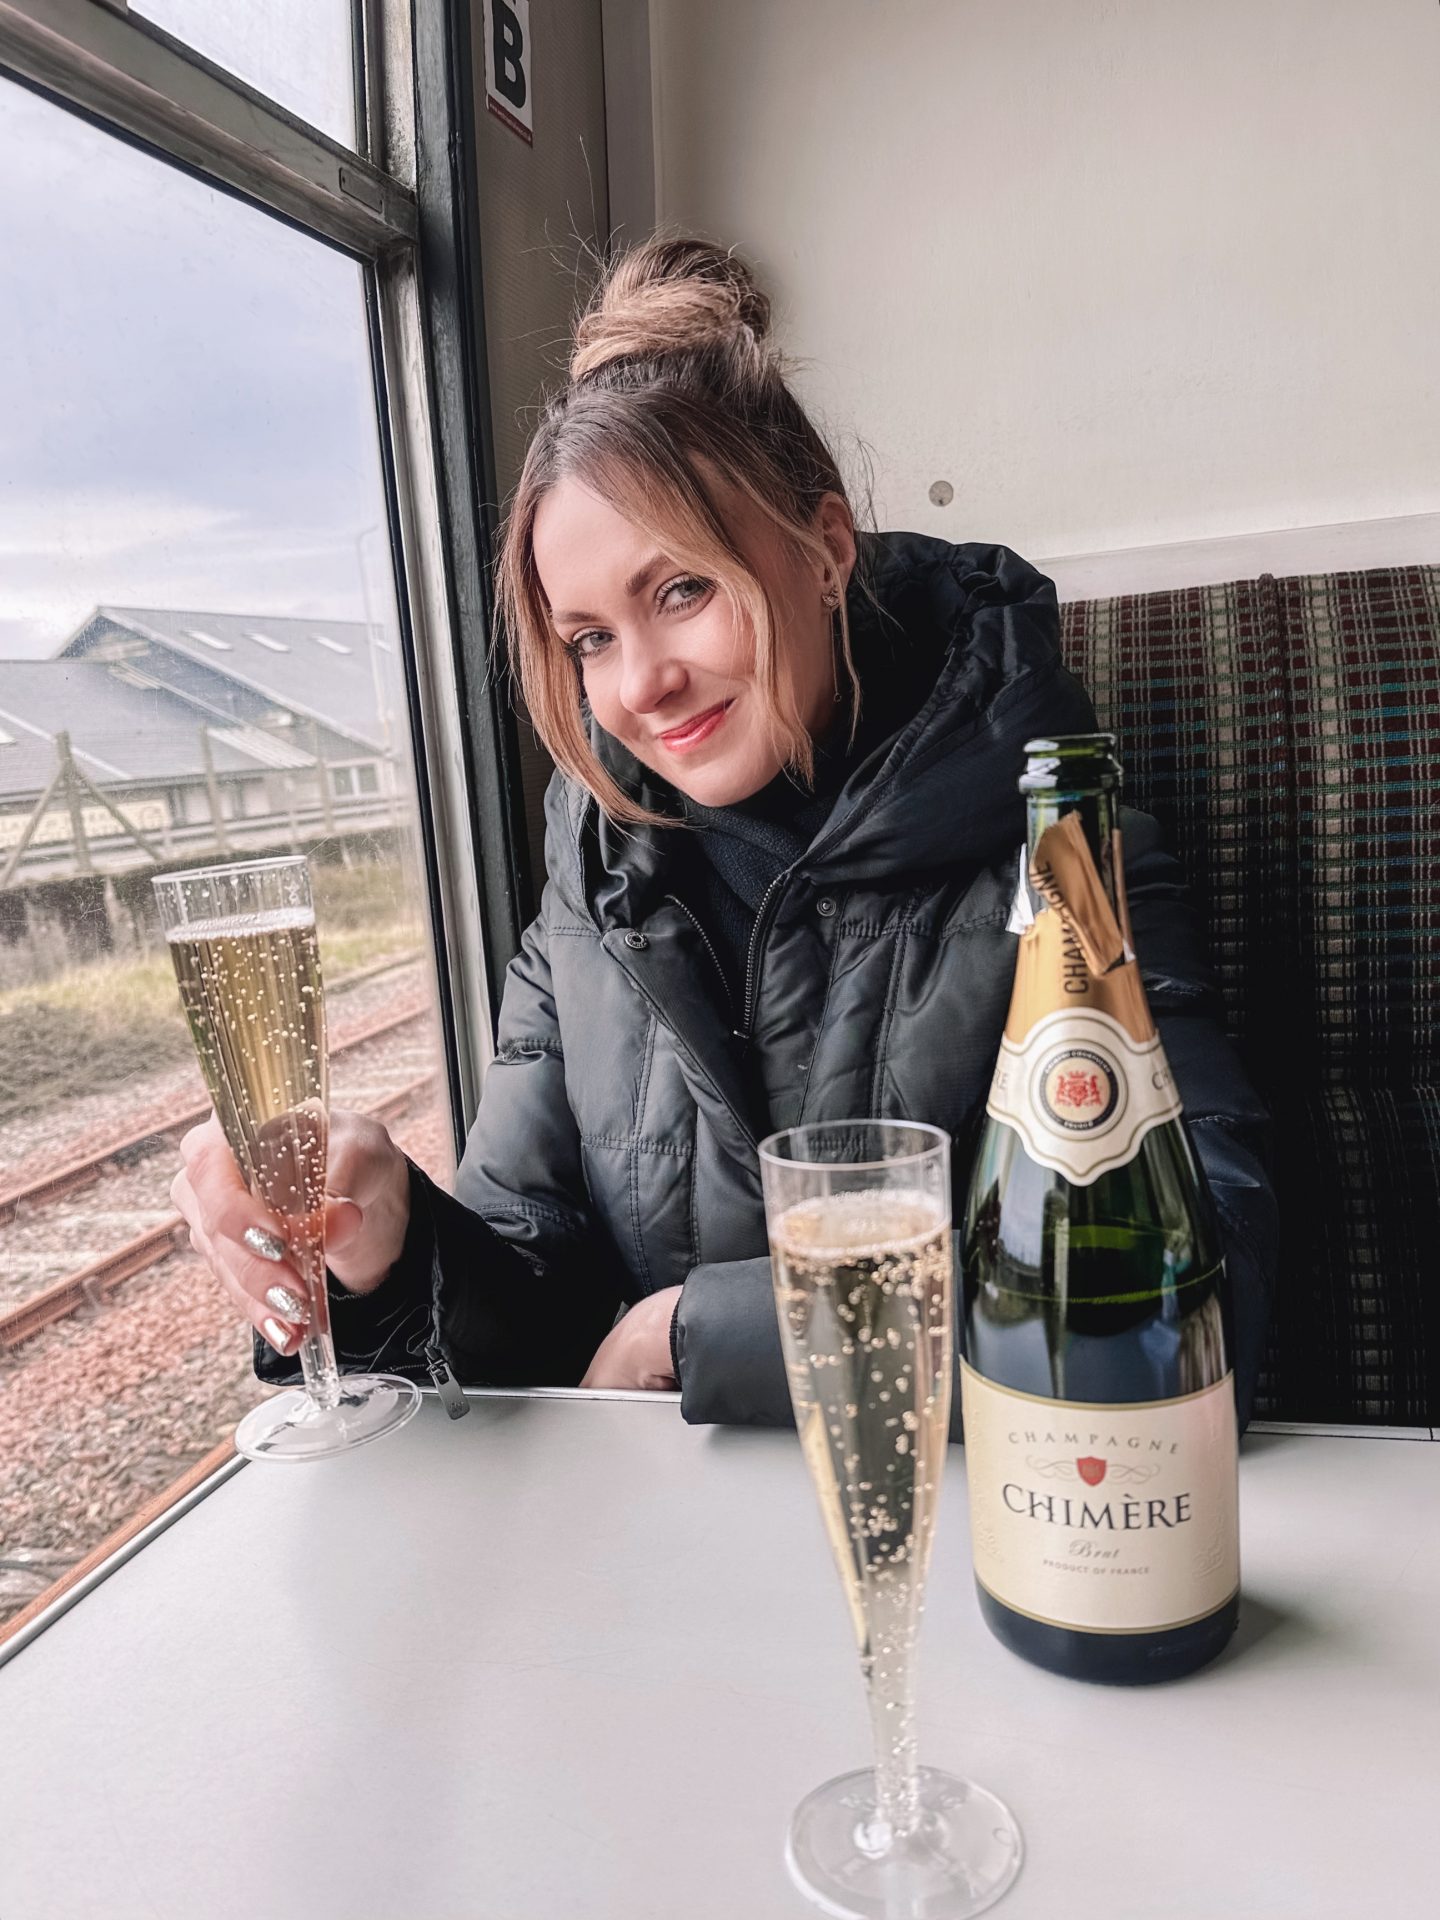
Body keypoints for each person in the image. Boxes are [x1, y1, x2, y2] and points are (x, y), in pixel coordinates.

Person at [173, 237, 1277, 1428]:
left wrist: (699, 1333)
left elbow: (1200, 1289)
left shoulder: (1063, 852)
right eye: (590, 636)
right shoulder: (593, 887)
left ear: (823, 552)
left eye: (682, 591)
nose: (641, 681)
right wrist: (392, 1247)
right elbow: (540, 1313)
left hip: (988, 1539)